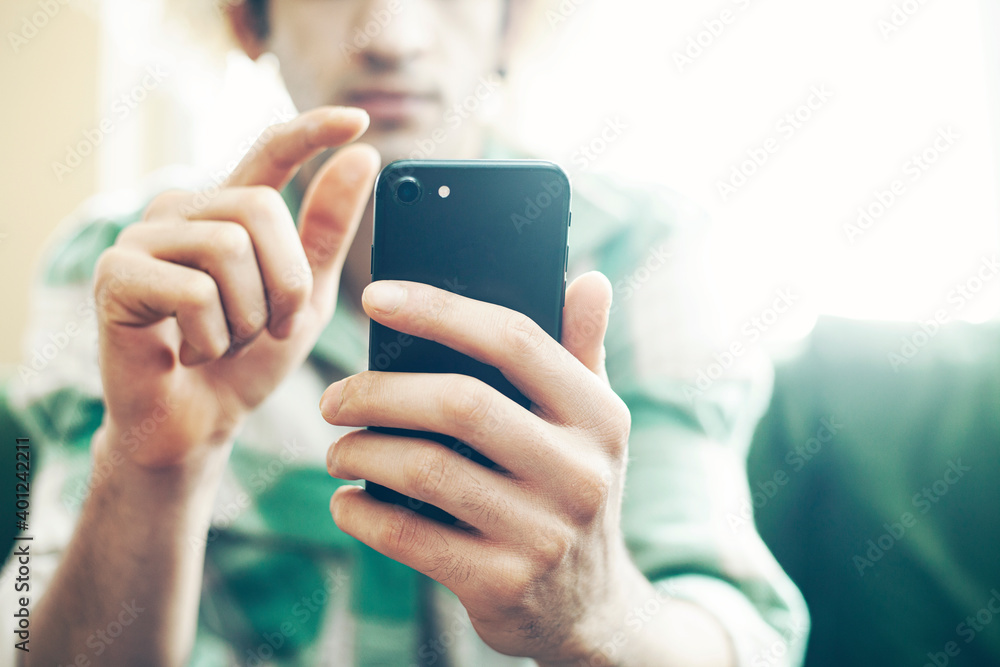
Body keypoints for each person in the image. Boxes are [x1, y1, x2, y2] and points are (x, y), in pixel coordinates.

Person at [6, 1, 808, 664]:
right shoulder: (133, 272)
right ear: (251, 20)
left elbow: (740, 637)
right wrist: (154, 467)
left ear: (512, 22)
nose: (391, 35)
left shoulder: (643, 252)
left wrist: (593, 610)